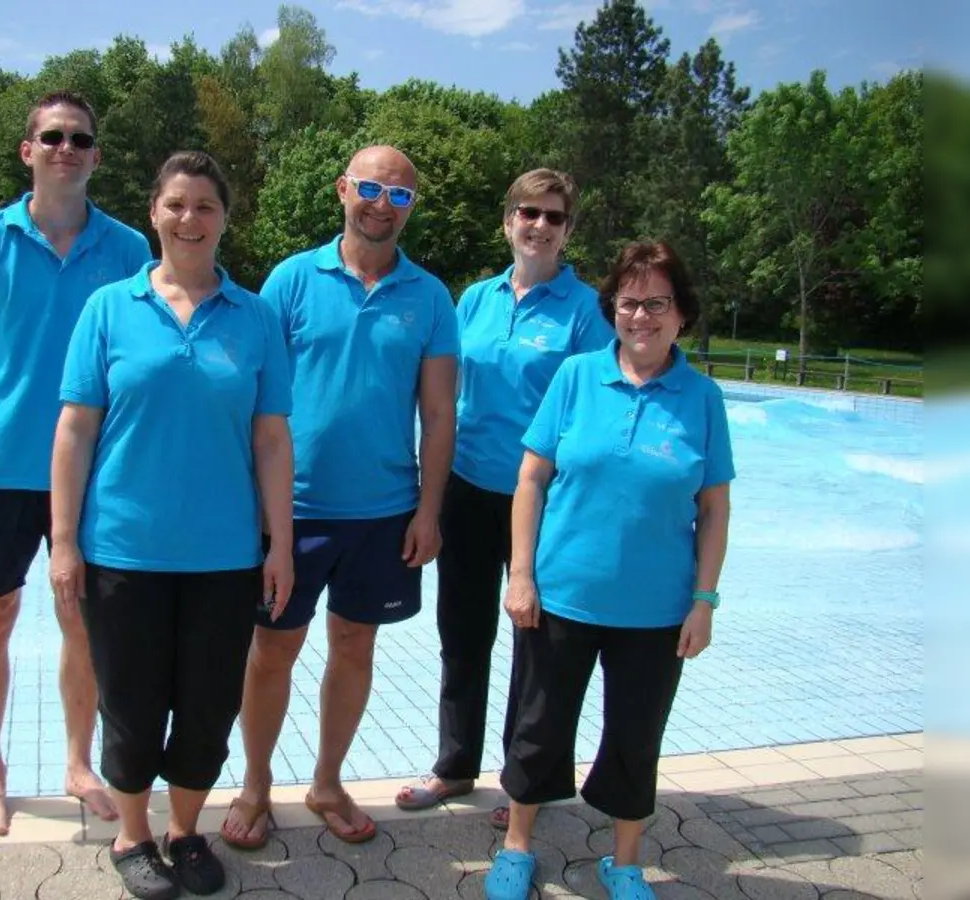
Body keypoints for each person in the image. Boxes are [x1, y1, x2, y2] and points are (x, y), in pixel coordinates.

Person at [49, 150, 295, 900]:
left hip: (223, 556)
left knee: (207, 706)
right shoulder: (109, 308)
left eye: (206, 206)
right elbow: (75, 430)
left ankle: (185, 831)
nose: (191, 219)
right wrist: (63, 540)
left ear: (226, 218)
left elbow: (272, 438)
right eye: (177, 204)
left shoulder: (254, 317)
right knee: (130, 701)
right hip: (124, 548)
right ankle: (133, 832)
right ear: (154, 212)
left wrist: (279, 542)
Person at [220, 145, 459, 850]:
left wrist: (428, 510)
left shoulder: (431, 298)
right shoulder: (292, 281)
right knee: (272, 650)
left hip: (385, 513)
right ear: (342, 190)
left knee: (354, 646)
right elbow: (254, 398)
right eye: (370, 188)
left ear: (412, 207)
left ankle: (326, 780)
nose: (382, 204)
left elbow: (440, 414)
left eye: (400, 195)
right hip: (291, 510)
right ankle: (256, 785)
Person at [484, 241, 735, 900]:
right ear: (612, 310)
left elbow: (713, 510)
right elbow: (531, 479)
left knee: (635, 736)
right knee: (538, 731)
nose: (642, 316)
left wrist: (704, 599)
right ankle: (517, 847)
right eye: (629, 302)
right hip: (562, 595)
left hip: (656, 609)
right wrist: (522, 574)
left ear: (681, 314)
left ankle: (623, 862)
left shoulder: (702, 399)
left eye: (658, 303)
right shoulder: (575, 378)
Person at [0, 89, 151, 838]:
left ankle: (77, 764)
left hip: (96, 473)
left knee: (83, 623)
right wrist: (6, 423)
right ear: (28, 150)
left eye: (81, 139)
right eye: (53, 136)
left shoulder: (128, 249)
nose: (67, 148)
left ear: (95, 155)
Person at [393, 169, 612, 815]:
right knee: (462, 635)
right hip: (466, 488)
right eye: (528, 213)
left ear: (568, 230)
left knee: (535, 646)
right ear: (507, 221)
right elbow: (446, 395)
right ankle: (455, 766)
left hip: (542, 502)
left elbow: (592, 408)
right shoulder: (475, 300)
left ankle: (523, 785)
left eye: (553, 216)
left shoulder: (586, 312)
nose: (539, 225)